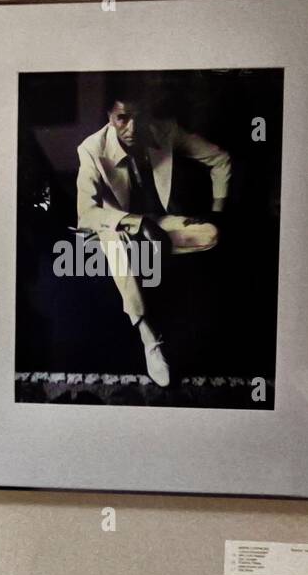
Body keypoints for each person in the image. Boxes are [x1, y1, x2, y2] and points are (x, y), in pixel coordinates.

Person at [75, 85, 231, 386]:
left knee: (211, 233)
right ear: (110, 116)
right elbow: (86, 214)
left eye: (138, 117)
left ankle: (149, 249)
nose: (132, 128)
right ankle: (150, 338)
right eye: (122, 118)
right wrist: (136, 223)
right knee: (115, 241)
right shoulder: (91, 149)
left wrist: (217, 210)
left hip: (159, 223)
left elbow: (220, 160)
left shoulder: (166, 130)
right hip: (112, 225)